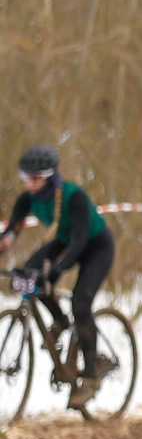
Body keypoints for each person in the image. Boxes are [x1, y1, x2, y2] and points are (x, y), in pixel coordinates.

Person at [4, 145, 117, 411]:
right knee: (30, 274)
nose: (30, 184)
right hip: (66, 242)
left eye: (35, 179)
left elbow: (78, 243)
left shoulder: (73, 197)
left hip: (95, 247)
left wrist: (57, 269)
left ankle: (90, 375)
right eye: (26, 178)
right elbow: (10, 234)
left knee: (80, 301)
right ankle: (60, 320)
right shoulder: (27, 199)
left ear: (50, 176)